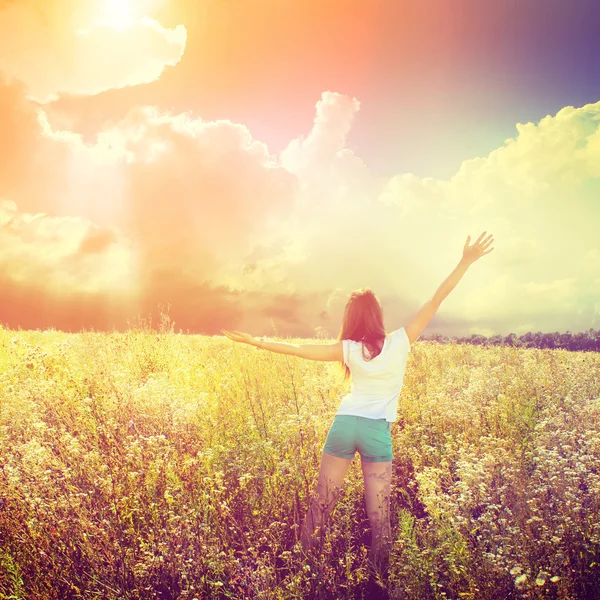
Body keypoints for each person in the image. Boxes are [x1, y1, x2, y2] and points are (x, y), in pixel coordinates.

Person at [221, 231, 494, 582]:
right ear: (378, 315)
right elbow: (436, 298)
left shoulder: (347, 348)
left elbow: (299, 349)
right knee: (378, 514)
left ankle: (297, 571)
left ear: (351, 318)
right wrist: (466, 260)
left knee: (321, 504)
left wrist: (255, 342)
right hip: (375, 431)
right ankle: (380, 579)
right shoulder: (401, 340)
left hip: (345, 423)